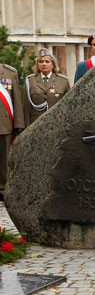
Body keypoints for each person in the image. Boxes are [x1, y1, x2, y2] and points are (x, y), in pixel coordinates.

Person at [24, 49, 70, 126]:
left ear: (53, 65)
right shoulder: (30, 81)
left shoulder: (63, 81)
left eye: (47, 62)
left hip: (57, 123)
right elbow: (26, 107)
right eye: (41, 62)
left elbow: (68, 105)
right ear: (37, 65)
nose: (44, 64)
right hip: (36, 124)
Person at [0, 62, 25, 200]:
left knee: (4, 160)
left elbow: (16, 99)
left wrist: (19, 123)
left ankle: (3, 189)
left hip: (4, 123)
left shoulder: (10, 72)